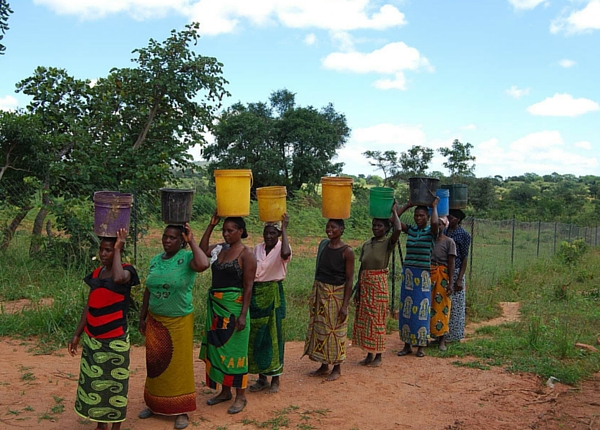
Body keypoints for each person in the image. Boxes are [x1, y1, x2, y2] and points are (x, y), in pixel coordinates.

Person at [138, 223, 209, 430]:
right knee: (156, 364)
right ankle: (154, 404)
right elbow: (148, 290)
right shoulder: (155, 261)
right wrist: (142, 317)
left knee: (179, 366)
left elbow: (204, 264)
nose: (167, 241)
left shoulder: (188, 259)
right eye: (165, 236)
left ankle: (181, 410)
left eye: (173, 238)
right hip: (156, 320)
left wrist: (192, 241)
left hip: (178, 320)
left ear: (181, 241)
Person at [68, 229, 140, 430]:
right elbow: (89, 305)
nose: (103, 254)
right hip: (93, 339)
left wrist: (119, 247)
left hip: (114, 339)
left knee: (115, 385)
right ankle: (101, 425)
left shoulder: (127, 271)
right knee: (95, 382)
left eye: (108, 250)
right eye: (102, 250)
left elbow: (118, 279)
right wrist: (77, 334)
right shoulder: (96, 274)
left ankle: (115, 426)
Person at [199, 214, 256, 415]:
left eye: (230, 230)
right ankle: (224, 391)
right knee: (219, 347)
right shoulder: (219, 248)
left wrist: (243, 314)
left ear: (241, 231)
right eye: (224, 230)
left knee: (235, 351)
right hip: (216, 307)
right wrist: (211, 224)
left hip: (234, 308)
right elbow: (201, 249)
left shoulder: (246, 255)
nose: (226, 234)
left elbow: (249, 286)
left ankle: (241, 395)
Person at [303, 218, 354, 381]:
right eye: (328, 226)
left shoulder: (347, 251)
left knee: (336, 330)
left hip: (336, 295)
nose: (329, 229)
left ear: (341, 229)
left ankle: (337, 367)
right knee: (321, 329)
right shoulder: (324, 245)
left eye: (333, 227)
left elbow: (349, 278)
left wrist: (345, 304)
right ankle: (323, 364)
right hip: (321, 292)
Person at [248, 214, 292, 394]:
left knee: (275, 334)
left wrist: (285, 230)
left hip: (274, 293)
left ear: (279, 234)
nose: (269, 236)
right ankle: (261, 377)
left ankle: (276, 378)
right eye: (266, 233)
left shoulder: (284, 247)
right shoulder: (257, 248)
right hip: (257, 293)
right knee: (258, 335)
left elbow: (286, 254)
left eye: (273, 233)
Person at [353, 205, 401, 367]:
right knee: (366, 320)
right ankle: (369, 353)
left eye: (380, 225)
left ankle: (379, 355)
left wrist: (394, 211)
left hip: (378, 284)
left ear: (386, 228)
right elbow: (362, 267)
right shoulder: (367, 244)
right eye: (374, 225)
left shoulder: (388, 243)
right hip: (365, 284)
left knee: (378, 319)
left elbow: (399, 229)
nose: (376, 228)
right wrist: (358, 289)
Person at [396, 197, 439, 358]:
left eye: (421, 215)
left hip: (423, 275)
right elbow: (394, 220)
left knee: (422, 310)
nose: (418, 218)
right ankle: (407, 344)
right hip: (409, 273)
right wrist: (407, 204)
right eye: (416, 215)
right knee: (407, 311)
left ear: (427, 217)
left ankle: (421, 345)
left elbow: (435, 224)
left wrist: (434, 207)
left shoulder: (432, 232)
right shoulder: (412, 230)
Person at [430, 216, 456, 351]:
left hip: (442, 276)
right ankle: (430, 335)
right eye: (436, 224)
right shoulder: (429, 241)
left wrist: (451, 283)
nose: (438, 226)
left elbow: (451, 264)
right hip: (430, 274)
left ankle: (442, 340)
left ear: (444, 226)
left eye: (441, 224)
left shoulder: (449, 242)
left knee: (442, 307)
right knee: (429, 306)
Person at [445, 209, 471, 343]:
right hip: (444, 271)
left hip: (456, 271)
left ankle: (454, 335)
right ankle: (441, 334)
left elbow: (465, 257)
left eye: (453, 217)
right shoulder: (444, 231)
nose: (450, 218)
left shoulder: (463, 235)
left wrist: (460, 278)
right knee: (443, 302)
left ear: (459, 220)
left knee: (456, 304)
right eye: (449, 216)